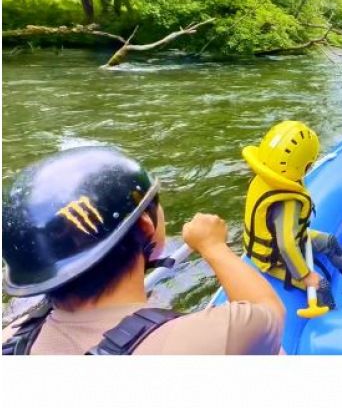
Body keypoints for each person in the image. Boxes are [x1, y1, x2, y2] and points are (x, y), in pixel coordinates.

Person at [2, 146, 286, 355]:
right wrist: (214, 247)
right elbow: (269, 312)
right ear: (146, 224)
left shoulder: (12, 337)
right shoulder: (208, 338)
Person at [241, 120, 342, 309]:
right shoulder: (288, 202)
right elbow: (286, 245)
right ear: (305, 165)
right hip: (273, 258)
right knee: (321, 286)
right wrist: (306, 275)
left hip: (291, 239)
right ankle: (330, 317)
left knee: (330, 242)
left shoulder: (265, 176)